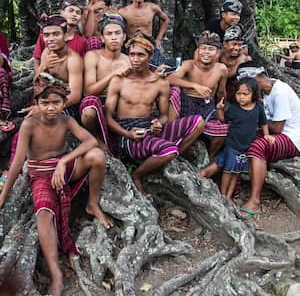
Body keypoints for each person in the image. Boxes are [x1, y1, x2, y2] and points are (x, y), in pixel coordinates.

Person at [0, 74, 112, 296]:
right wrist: (3, 196)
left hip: (64, 167)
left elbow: (90, 141)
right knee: (43, 214)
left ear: (63, 103)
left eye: (56, 102)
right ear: (37, 103)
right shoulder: (30, 124)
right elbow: (17, 164)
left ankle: (92, 204)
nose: (51, 108)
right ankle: (56, 273)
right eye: (45, 102)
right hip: (41, 174)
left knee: (97, 156)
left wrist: (63, 161)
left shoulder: (66, 120)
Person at [105, 32, 204, 194]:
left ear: (150, 57)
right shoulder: (119, 81)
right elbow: (107, 117)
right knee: (169, 150)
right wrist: (127, 134)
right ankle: (138, 175)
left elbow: (164, 115)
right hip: (129, 136)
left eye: (140, 55)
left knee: (198, 122)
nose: (135, 59)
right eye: (132, 54)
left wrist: (160, 123)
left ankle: (166, 158)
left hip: (149, 129)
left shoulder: (160, 83)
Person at [235, 62, 300, 219]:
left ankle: (255, 200)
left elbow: (277, 128)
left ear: (256, 78)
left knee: (258, 146)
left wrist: (256, 122)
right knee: (239, 137)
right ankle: (234, 187)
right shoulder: (265, 92)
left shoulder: (280, 92)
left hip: (292, 137)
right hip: (277, 133)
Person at [199, 77, 272, 205]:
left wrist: (266, 135)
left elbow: (263, 122)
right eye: (239, 93)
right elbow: (223, 120)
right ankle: (223, 196)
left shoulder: (258, 107)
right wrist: (220, 109)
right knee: (228, 171)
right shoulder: (234, 108)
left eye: (245, 94)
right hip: (233, 146)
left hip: (244, 148)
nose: (241, 97)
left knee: (235, 172)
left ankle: (226, 195)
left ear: (254, 94)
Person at [168, 30, 228, 159]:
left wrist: (221, 106)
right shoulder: (189, 65)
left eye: (211, 49)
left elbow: (222, 92)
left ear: (217, 52)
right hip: (187, 103)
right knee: (174, 92)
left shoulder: (221, 69)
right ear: (198, 50)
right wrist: (194, 86)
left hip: (207, 107)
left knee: (223, 129)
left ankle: (210, 157)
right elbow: (170, 79)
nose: (206, 52)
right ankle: (170, 137)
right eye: (203, 48)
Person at [80, 13, 131, 148]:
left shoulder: (129, 60)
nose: (113, 37)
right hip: (98, 101)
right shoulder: (93, 56)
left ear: (124, 37)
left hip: (118, 104)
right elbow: (88, 91)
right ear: (102, 38)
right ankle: (96, 138)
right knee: (89, 109)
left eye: (117, 33)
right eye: (109, 34)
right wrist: (113, 74)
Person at [35, 15, 83, 120]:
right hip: (47, 100)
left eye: (56, 34)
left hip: (67, 105)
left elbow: (75, 95)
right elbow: (37, 83)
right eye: (46, 35)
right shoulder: (46, 53)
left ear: (65, 36)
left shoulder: (73, 60)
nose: (51, 39)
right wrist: (43, 67)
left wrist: (49, 107)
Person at [118, 0, 169, 65]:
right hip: (132, 44)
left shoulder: (152, 8)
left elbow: (166, 20)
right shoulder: (123, 12)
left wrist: (158, 39)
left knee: (156, 67)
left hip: (149, 42)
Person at [33, 0, 86, 75]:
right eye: (71, 10)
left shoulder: (81, 42)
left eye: (78, 12)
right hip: (45, 78)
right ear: (62, 12)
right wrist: (42, 69)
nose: (74, 14)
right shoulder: (46, 36)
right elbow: (36, 62)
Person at [220, 24, 251, 102]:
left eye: (240, 45)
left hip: (238, 98)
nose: (237, 48)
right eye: (234, 44)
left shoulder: (245, 59)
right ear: (225, 44)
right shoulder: (219, 55)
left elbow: (252, 83)